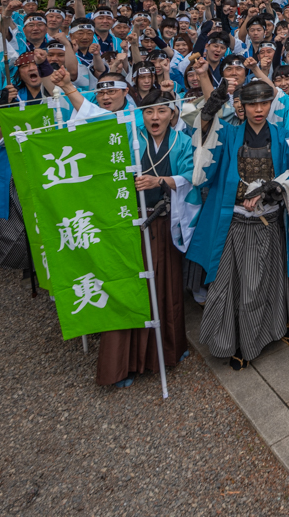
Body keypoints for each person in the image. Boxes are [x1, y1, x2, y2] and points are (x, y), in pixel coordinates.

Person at [188, 77, 289, 370]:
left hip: (270, 221)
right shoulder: (229, 134)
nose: (258, 109)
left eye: (264, 103)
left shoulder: (286, 136)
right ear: (241, 105)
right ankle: (234, 339)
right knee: (232, 284)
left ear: (271, 104)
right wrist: (208, 111)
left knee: (272, 279)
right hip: (236, 223)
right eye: (252, 103)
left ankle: (275, 329)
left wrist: (270, 188)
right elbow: (205, 149)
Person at [97, 91, 198, 388]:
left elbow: (192, 175)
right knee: (129, 288)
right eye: (148, 112)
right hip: (130, 224)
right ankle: (123, 363)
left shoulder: (181, 142)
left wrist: (161, 181)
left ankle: (166, 352)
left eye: (161, 111)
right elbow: (110, 174)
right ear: (140, 115)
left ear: (172, 114)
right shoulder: (128, 138)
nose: (155, 118)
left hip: (165, 221)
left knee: (166, 287)